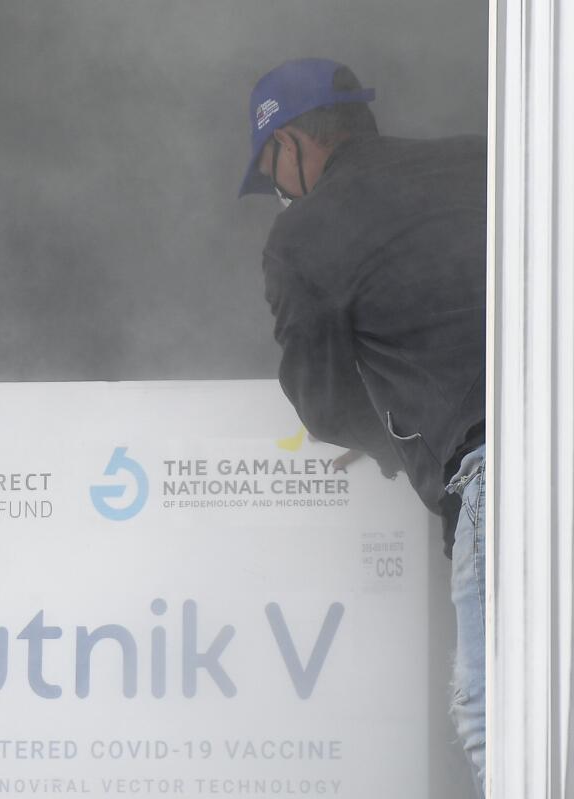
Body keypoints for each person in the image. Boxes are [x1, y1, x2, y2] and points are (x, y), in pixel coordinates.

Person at [238, 58, 487, 795]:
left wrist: (390, 439)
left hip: (503, 468)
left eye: (272, 172)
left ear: (291, 142)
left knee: (499, 716)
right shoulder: (485, 157)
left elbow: (323, 402)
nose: (280, 193)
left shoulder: (302, 236)